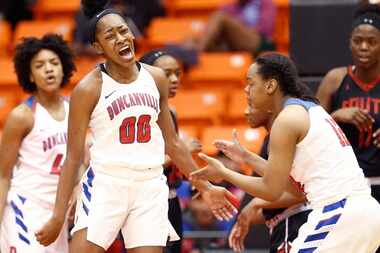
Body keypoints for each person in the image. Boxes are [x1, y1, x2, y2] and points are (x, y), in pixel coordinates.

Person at [35, 1, 238, 253]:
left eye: (123, 31)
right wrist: (57, 215)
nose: (120, 38)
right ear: (98, 47)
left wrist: (204, 186)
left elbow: (172, 143)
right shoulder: (88, 89)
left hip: (149, 184)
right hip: (105, 182)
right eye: (110, 36)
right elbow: (73, 156)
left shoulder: (155, 77)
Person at [190, 53, 380, 252]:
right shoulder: (308, 109)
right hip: (365, 211)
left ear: (270, 86)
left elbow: (271, 189)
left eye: (251, 83)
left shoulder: (287, 119)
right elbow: (292, 184)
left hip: (339, 212)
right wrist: (247, 157)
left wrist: (224, 173)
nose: (246, 90)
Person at [0, 34, 76, 253]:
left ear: (64, 68)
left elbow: (79, 158)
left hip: (57, 213)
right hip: (25, 206)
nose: (49, 69)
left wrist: (78, 188)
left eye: (54, 63)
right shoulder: (22, 116)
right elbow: (4, 175)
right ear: (30, 76)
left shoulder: (75, 110)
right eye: (40, 66)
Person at [218, 106, 311, 253]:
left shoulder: (284, 135)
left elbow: (301, 191)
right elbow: (277, 203)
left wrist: (254, 204)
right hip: (284, 224)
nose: (246, 111)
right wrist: (246, 218)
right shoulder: (270, 139)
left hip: (296, 222)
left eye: (251, 105)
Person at [317, 3, 380, 205]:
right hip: (345, 184)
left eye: (372, 42)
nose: (364, 47)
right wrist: (335, 116)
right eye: (358, 41)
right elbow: (309, 131)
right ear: (349, 43)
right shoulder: (335, 79)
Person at [139, 49, 202, 253]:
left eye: (177, 73)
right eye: (167, 73)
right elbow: (142, 164)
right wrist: (182, 150)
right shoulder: (140, 113)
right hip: (146, 203)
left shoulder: (171, 112)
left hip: (171, 200)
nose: (174, 79)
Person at [194, 0, 276, 55]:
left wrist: (239, 29)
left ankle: (197, 52)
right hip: (233, 44)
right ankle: (188, 51)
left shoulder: (265, 3)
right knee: (194, 40)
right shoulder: (230, 7)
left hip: (260, 43)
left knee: (219, 16)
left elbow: (265, 29)